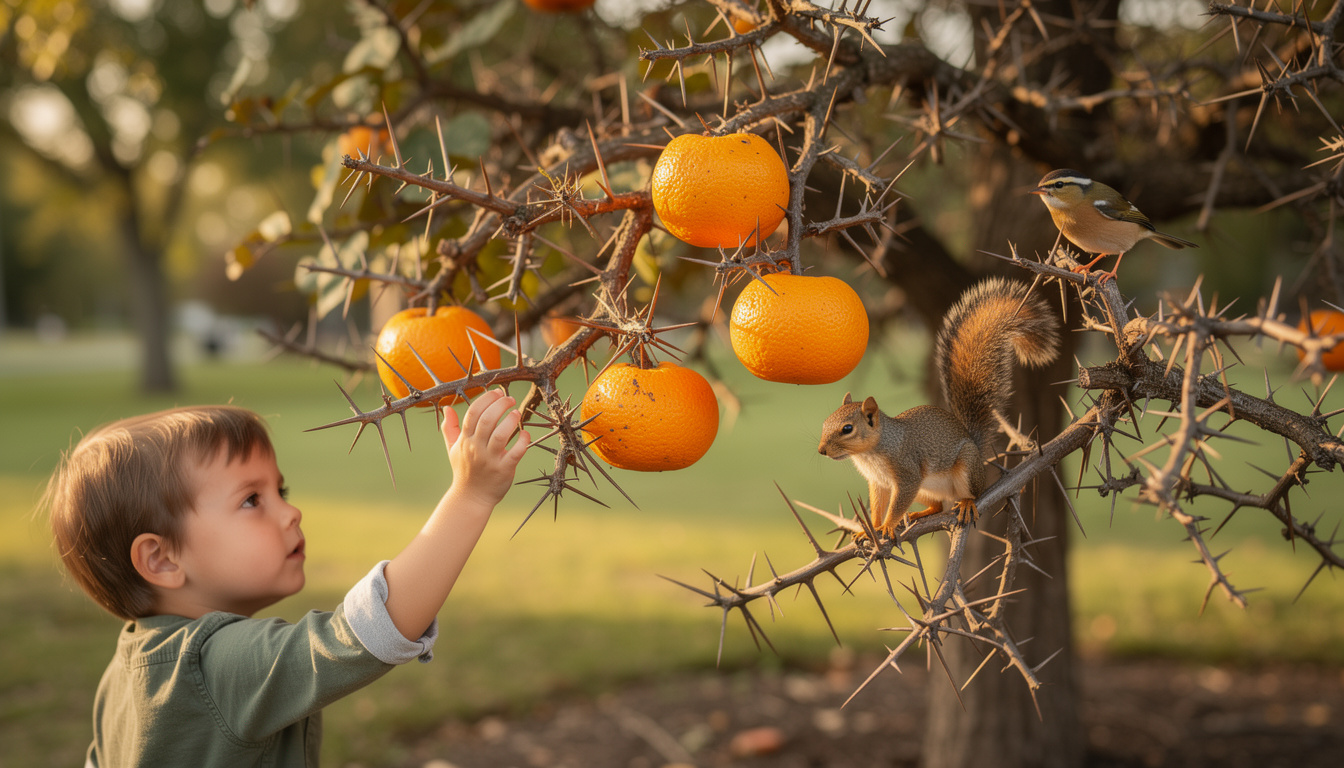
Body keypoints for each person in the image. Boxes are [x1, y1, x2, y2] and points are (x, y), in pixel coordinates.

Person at [43, 390, 531, 767]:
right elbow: (366, 634)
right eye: (252, 500)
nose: (291, 512)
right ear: (162, 560)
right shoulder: (219, 665)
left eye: (281, 490)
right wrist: (470, 496)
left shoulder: (126, 672)